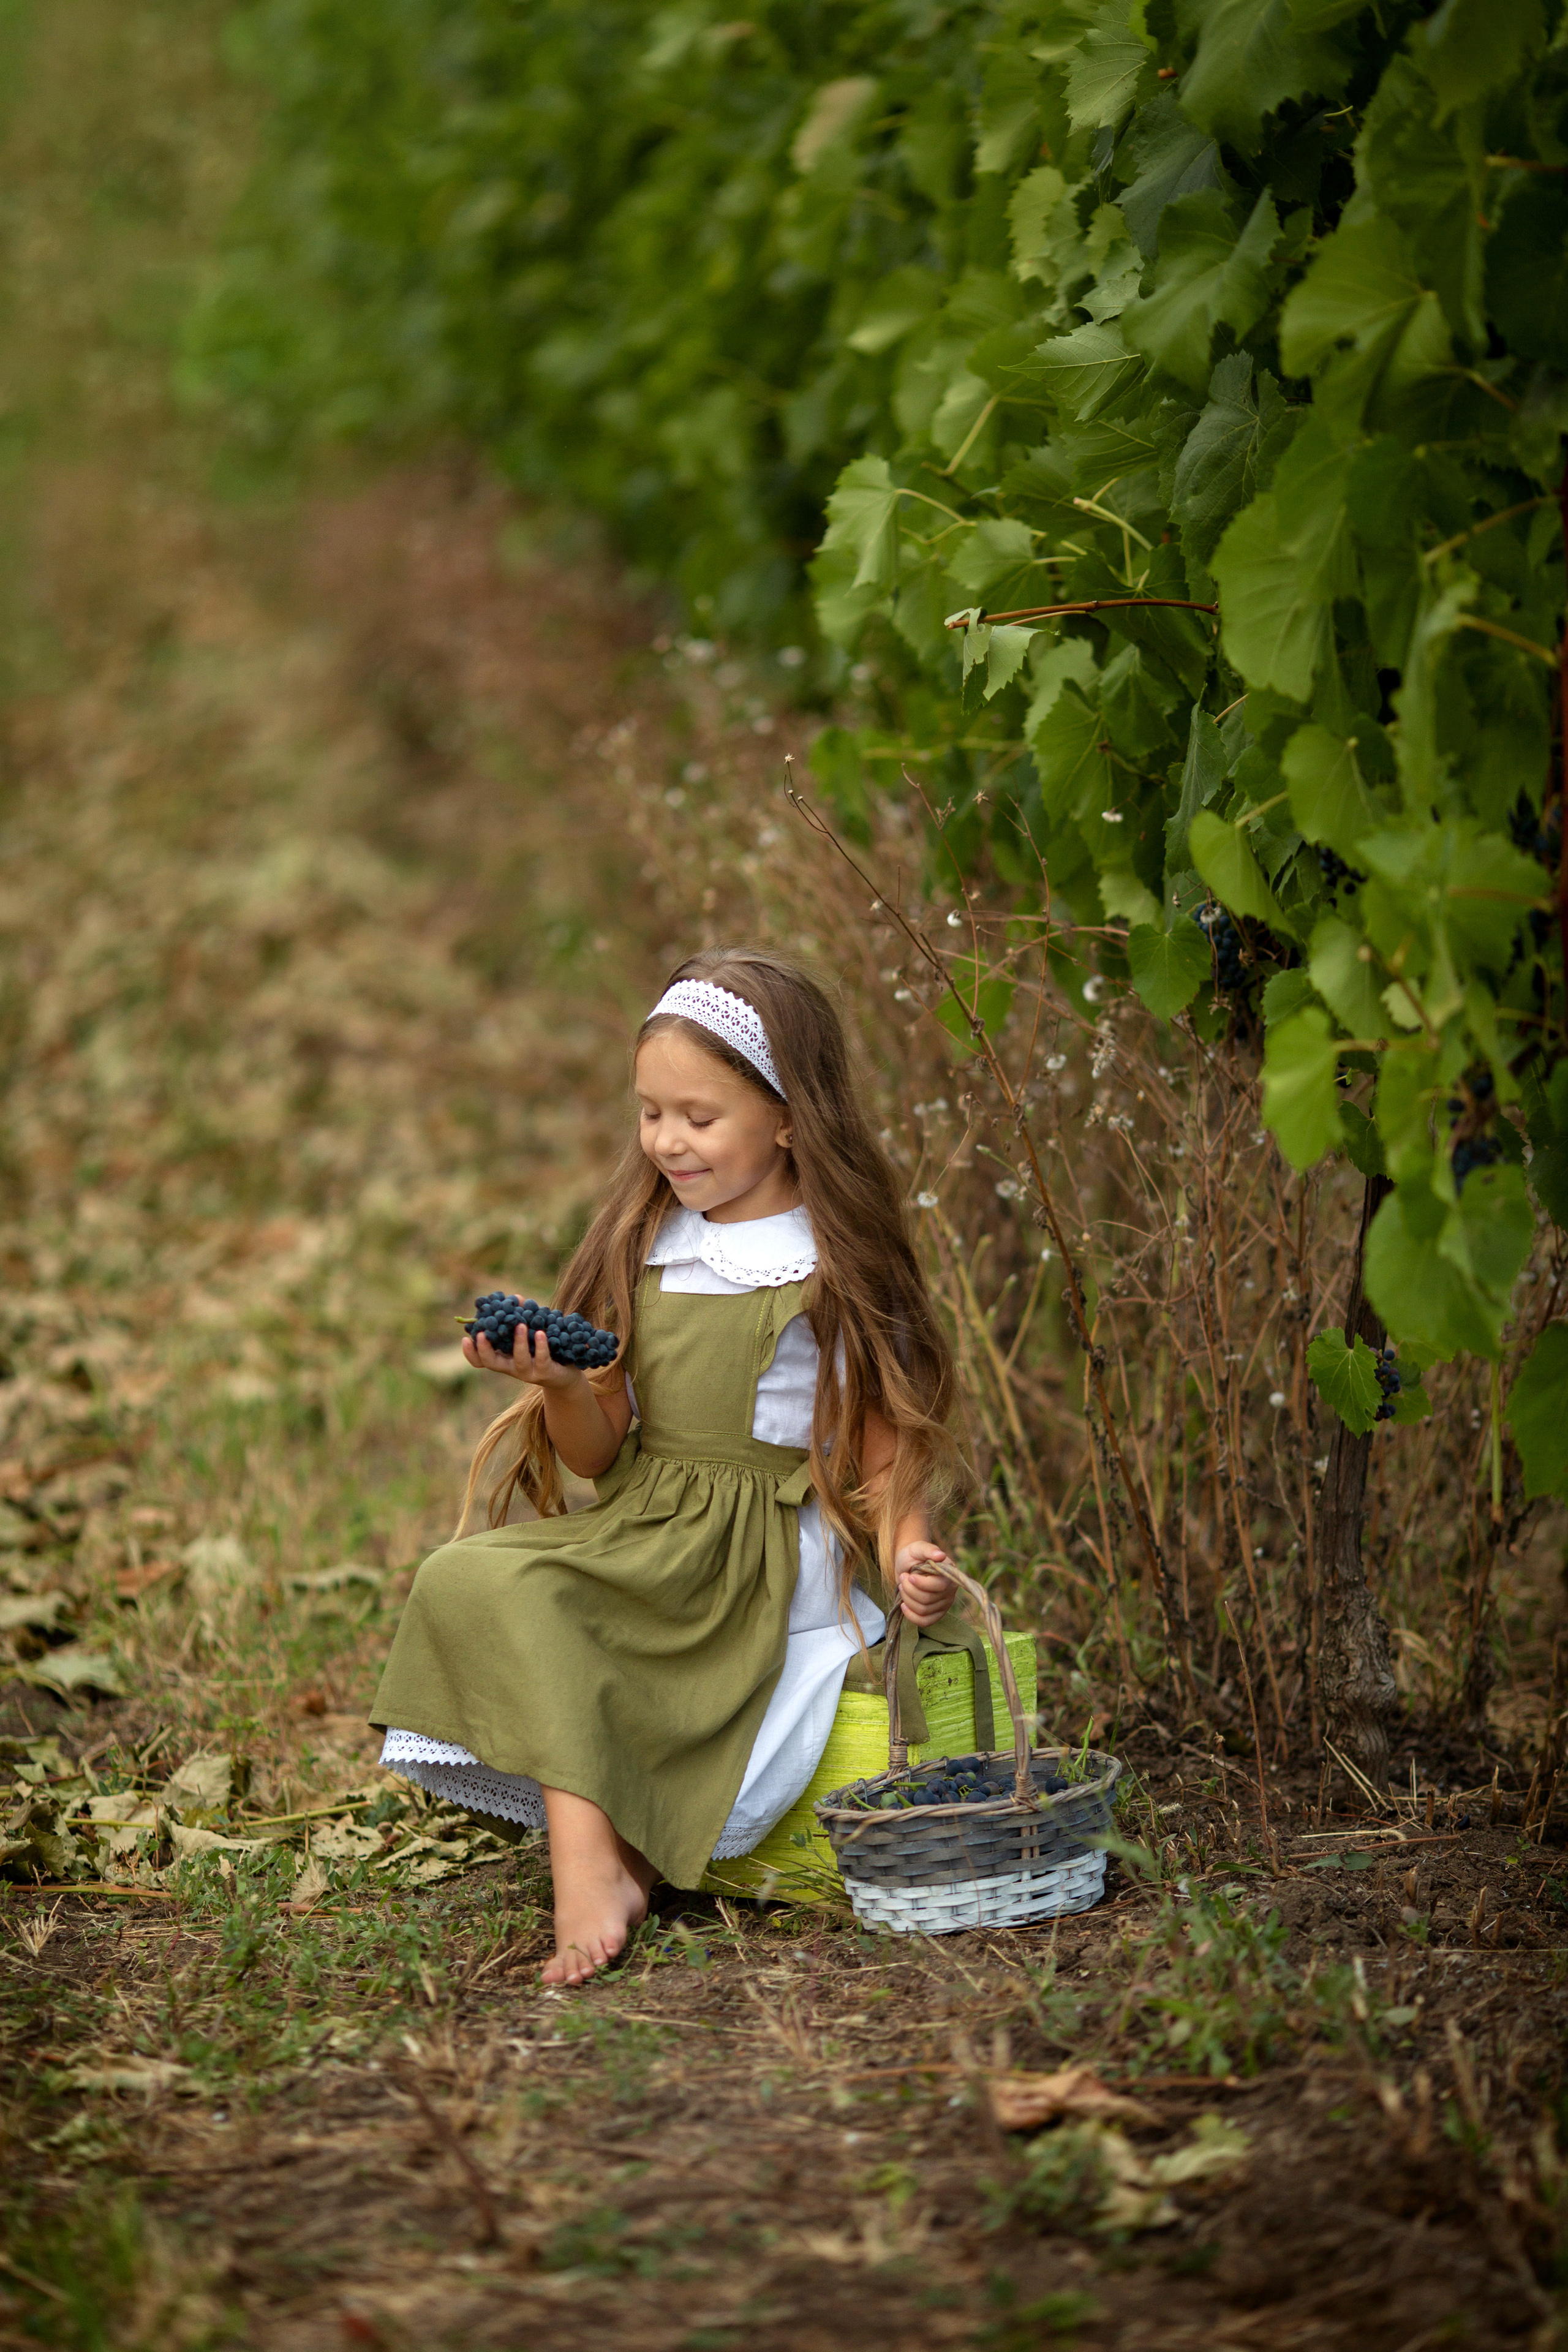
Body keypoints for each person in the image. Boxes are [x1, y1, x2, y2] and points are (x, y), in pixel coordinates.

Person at [372, 948, 961, 1984]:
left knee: (572, 1612)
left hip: (750, 1560)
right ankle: (612, 1853)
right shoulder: (649, 1240)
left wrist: (907, 1541)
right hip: (646, 1524)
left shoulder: (825, 1260)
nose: (668, 1142)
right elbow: (601, 1460)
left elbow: (882, 1435)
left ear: (788, 1116)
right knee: (473, 1576)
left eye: (699, 1116)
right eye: (651, 1113)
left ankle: (592, 1870)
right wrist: (558, 1385)